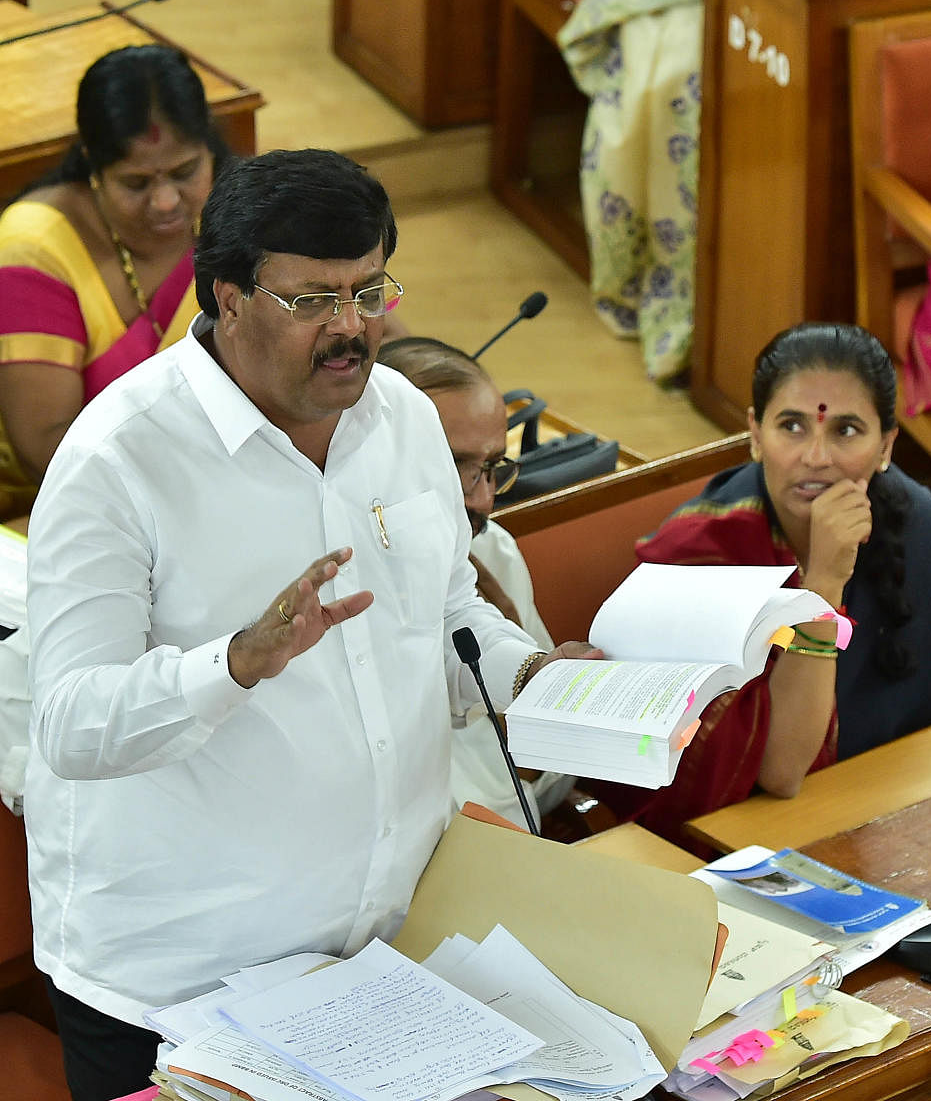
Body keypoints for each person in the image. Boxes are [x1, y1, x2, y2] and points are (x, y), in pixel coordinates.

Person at [24, 148, 597, 1101]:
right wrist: (236, 663)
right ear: (228, 296)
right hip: (181, 988)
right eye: (312, 301)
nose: (350, 331)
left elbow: (447, 613)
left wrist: (527, 675)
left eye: (369, 293)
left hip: (385, 949)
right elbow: (71, 727)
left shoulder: (405, 420)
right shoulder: (116, 462)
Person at [594, 322, 931, 852]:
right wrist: (824, 583)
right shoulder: (698, 559)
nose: (817, 457)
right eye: (792, 427)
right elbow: (780, 774)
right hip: (734, 842)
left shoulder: (916, 520)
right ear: (756, 436)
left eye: (846, 430)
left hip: (891, 807)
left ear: (886, 446)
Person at [0, 43, 229, 522]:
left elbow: (368, 331)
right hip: (56, 510)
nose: (167, 202)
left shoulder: (241, 214)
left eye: (185, 172)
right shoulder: (35, 246)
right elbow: (46, 449)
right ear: (93, 167)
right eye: (136, 183)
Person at [377, 336, 574, 827]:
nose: (483, 500)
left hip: (511, 830)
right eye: (455, 466)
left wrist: (516, 654)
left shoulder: (493, 549)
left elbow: (544, 761)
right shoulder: (334, 579)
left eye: (491, 468)